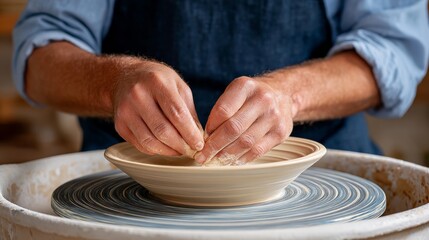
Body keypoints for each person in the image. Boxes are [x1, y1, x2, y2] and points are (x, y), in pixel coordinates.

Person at [13, 0, 429, 165]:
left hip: (317, 178)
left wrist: (290, 96)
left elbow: (393, 47)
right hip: (131, 186)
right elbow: (40, 58)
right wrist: (115, 81)